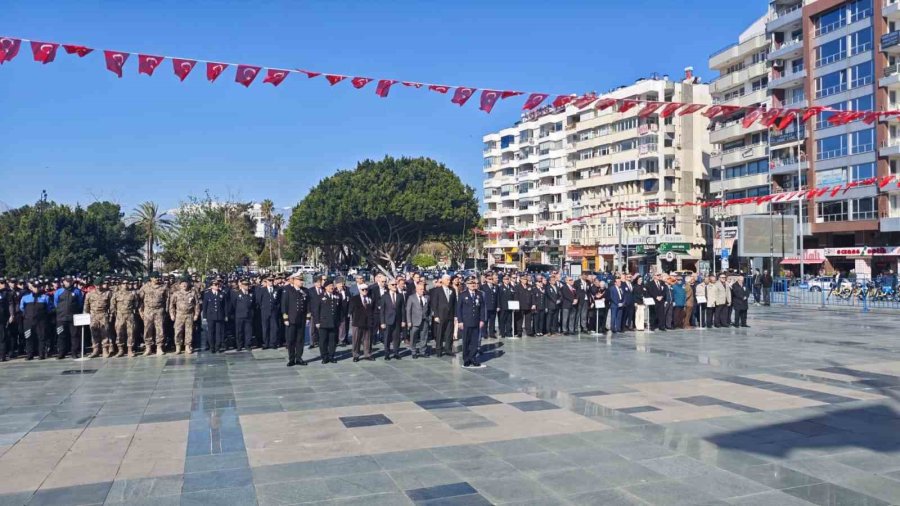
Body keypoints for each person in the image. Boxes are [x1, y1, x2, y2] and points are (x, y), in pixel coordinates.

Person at [456, 276, 487, 368]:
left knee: (474, 341)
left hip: (476, 321)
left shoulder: (479, 294)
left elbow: (482, 308)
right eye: (470, 283)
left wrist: (482, 320)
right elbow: (459, 309)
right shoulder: (463, 295)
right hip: (466, 322)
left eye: (474, 283)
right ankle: (466, 359)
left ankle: (473, 358)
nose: (473, 285)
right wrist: (460, 321)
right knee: (466, 341)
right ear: (467, 285)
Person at [20, 280, 53, 360]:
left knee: (41, 338)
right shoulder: (25, 298)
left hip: (41, 322)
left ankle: (41, 354)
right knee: (29, 338)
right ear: (32, 288)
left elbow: (49, 308)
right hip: (28, 321)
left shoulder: (45, 297)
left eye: (38, 287)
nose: (36, 289)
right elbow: (21, 308)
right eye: (35, 287)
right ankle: (29, 355)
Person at [282, 273, 309, 367]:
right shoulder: (288, 290)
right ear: (294, 280)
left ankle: (299, 358)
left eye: (302, 280)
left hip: (301, 319)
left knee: (300, 340)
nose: (301, 282)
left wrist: (308, 317)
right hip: (291, 319)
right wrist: (285, 318)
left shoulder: (305, 291)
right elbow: (284, 304)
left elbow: (307, 305)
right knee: (291, 340)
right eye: (299, 280)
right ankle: (291, 359)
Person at [139, 271, 169, 356]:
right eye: (155, 277)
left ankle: (159, 347)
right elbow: (140, 300)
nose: (157, 279)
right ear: (151, 278)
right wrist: (141, 311)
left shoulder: (163, 287)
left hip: (159, 310)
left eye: (158, 277)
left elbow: (167, 299)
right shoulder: (145, 287)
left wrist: (166, 310)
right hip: (148, 311)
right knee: (148, 329)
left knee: (160, 329)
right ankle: (148, 347)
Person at [169, 277, 200, 355]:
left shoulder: (192, 293)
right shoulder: (176, 294)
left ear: (188, 284)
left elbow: (197, 305)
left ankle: (188, 346)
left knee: (189, 331)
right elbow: (171, 305)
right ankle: (178, 347)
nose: (184, 285)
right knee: (178, 331)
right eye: (182, 284)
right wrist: (172, 314)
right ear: (179, 285)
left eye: (185, 284)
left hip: (189, 315)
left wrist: (196, 314)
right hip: (179, 315)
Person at [53, 276, 83, 359]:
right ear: (64, 282)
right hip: (61, 318)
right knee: (61, 336)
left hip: (73, 318)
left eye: (70, 281)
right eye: (67, 281)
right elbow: (56, 303)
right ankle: (61, 353)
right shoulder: (58, 292)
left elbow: (80, 303)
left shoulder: (77, 291)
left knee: (75, 335)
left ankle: (74, 352)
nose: (69, 283)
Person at [84, 277, 114, 358]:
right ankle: (95, 350)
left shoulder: (108, 293)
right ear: (94, 285)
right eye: (96, 285)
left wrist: (111, 315)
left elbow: (111, 305)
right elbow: (86, 306)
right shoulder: (90, 294)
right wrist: (86, 315)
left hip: (103, 315)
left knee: (105, 333)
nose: (98, 287)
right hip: (93, 316)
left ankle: (105, 350)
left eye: (100, 285)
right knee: (94, 333)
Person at [429, 274, 456, 357]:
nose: (449, 281)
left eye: (449, 279)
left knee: (449, 333)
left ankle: (448, 349)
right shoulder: (437, 290)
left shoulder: (452, 290)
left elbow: (455, 303)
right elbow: (434, 303)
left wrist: (455, 315)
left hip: (450, 315)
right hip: (441, 315)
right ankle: (439, 349)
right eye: (447, 280)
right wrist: (436, 315)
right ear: (443, 280)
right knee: (440, 333)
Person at [111, 278, 140, 357]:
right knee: (119, 332)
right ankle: (120, 350)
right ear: (120, 285)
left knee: (131, 333)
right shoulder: (116, 294)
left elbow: (136, 304)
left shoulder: (132, 294)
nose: (126, 285)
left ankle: (130, 350)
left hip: (129, 315)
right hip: (120, 315)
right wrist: (114, 314)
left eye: (127, 283)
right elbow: (112, 305)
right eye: (124, 283)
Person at [315, 279, 341, 364]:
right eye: (330, 286)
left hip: (333, 323)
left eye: (332, 286)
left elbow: (339, 309)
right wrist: (317, 322)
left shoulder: (337, 296)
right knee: (323, 341)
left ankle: (331, 356)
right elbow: (316, 310)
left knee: (332, 341)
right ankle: (324, 357)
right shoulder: (320, 297)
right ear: (325, 287)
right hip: (323, 322)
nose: (332, 287)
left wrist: (339, 321)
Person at [379, 278, 406, 360]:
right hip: (387, 320)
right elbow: (382, 310)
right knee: (387, 337)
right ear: (389, 286)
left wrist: (403, 320)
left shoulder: (400, 296)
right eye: (393, 285)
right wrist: (382, 322)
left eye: (395, 284)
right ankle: (387, 354)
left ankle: (396, 352)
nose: (395, 286)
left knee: (397, 337)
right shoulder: (384, 296)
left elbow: (403, 309)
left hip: (397, 320)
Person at [348, 284, 375, 361]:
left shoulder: (370, 298)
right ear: (359, 290)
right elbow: (351, 309)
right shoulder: (354, 298)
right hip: (357, 322)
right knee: (356, 340)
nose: (365, 291)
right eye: (363, 290)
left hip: (368, 322)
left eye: (366, 289)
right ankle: (356, 355)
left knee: (367, 339)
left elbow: (372, 309)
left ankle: (367, 354)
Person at [405, 281, 430, 359]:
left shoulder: (427, 297)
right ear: (416, 290)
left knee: (424, 337)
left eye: (423, 289)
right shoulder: (411, 297)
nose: (422, 291)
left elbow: (429, 308)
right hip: (415, 321)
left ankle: (423, 351)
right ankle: (413, 351)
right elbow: (408, 310)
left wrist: (429, 318)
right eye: (420, 289)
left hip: (424, 320)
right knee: (413, 337)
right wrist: (409, 321)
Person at [202, 279, 228, 353]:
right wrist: (204, 316)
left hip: (219, 316)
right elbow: (205, 306)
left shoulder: (222, 294)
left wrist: (226, 315)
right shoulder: (207, 294)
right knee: (211, 332)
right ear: (211, 286)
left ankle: (217, 347)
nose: (217, 286)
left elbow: (225, 306)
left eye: (218, 285)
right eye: (215, 285)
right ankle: (212, 347)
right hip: (210, 316)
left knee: (218, 332)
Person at [257, 276, 280, 350]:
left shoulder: (277, 289)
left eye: (272, 280)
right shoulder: (262, 290)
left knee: (274, 327)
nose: (271, 282)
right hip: (265, 311)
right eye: (269, 280)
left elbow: (278, 300)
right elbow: (259, 300)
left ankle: (273, 343)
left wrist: (276, 308)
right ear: (266, 281)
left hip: (273, 311)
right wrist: (263, 307)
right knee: (265, 328)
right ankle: (266, 343)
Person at [232, 279, 255, 351]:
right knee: (239, 331)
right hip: (239, 315)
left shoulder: (251, 293)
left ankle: (248, 345)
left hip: (248, 315)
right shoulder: (236, 293)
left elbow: (253, 304)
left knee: (248, 331)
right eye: (245, 285)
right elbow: (234, 304)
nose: (247, 286)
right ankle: (239, 345)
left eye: (247, 285)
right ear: (241, 285)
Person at [0, 279, 14, 361]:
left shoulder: (8, 293)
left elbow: (10, 304)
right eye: (1, 283)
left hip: (2, 318)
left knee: (2, 337)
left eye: (4, 283)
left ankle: (2, 356)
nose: (3, 285)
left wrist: (11, 315)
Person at [480, 273, 498, 339]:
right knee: (485, 320)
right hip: (486, 306)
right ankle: (484, 333)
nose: (491, 280)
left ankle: (492, 333)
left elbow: (497, 297)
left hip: (493, 306)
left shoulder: (495, 286)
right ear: (486, 279)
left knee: (492, 321)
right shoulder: (483, 286)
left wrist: (498, 306)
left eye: (492, 279)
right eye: (489, 279)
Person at [307, 276, 323, 348]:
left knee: (321, 328)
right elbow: (308, 302)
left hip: (322, 312)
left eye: (320, 282)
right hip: (313, 312)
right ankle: (312, 342)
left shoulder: (323, 290)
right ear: (314, 283)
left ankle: (320, 341)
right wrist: (309, 312)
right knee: (312, 329)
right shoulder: (310, 290)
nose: (319, 284)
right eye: (318, 282)